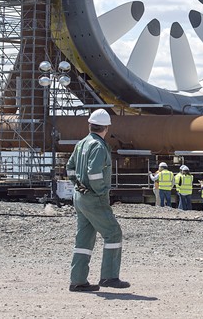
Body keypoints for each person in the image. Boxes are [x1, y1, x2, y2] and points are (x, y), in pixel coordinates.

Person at [66, 109, 130, 292]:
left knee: (84, 239)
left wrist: (77, 184)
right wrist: (101, 192)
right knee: (113, 233)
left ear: (90, 125)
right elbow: (94, 173)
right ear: (106, 128)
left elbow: (69, 167)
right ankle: (109, 277)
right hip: (94, 199)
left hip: (80, 197)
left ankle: (78, 280)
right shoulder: (98, 146)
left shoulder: (81, 144)